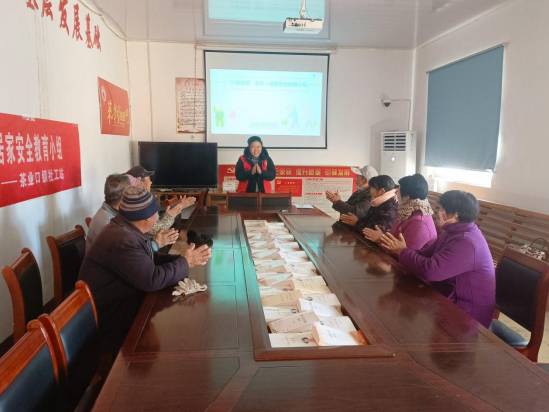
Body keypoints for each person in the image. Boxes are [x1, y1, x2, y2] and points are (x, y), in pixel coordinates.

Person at [79, 185, 212, 355]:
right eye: (157, 212)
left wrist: (182, 260)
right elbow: (152, 279)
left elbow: (149, 259)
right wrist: (186, 262)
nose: (159, 215)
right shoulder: (123, 239)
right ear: (147, 217)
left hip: (121, 302)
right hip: (109, 317)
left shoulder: (126, 229)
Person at [380, 190, 495, 328]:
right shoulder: (452, 233)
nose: (440, 212)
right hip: (446, 299)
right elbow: (425, 254)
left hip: (468, 317)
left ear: (455, 213)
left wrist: (402, 251)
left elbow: (432, 271)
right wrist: (403, 249)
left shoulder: (467, 242)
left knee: (404, 319)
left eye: (443, 209)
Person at [87, 173, 178, 252]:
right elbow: (130, 254)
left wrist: (153, 240)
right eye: (132, 193)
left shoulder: (113, 214)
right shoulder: (109, 224)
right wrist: (156, 244)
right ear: (124, 198)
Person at [126, 165, 196, 247]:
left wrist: (173, 210)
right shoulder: (138, 204)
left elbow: (156, 222)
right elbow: (156, 230)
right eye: (149, 179)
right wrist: (176, 209)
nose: (151, 182)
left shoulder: (136, 200)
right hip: (149, 244)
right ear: (141, 182)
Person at [363, 174, 437, 250]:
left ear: (407, 197)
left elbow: (406, 253)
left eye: (398, 191)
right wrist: (382, 238)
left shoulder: (419, 222)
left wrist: (381, 239)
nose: (396, 194)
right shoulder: (406, 211)